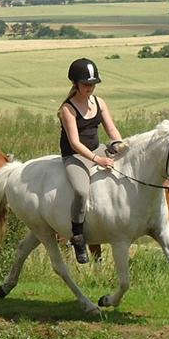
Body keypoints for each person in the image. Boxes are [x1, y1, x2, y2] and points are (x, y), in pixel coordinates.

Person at [58, 57, 125, 263]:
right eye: (86, 84)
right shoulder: (67, 109)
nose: (90, 87)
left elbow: (111, 129)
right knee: (81, 191)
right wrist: (98, 159)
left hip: (98, 149)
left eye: (93, 84)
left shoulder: (99, 102)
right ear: (75, 83)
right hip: (75, 156)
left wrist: (118, 143)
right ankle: (78, 237)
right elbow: (75, 143)